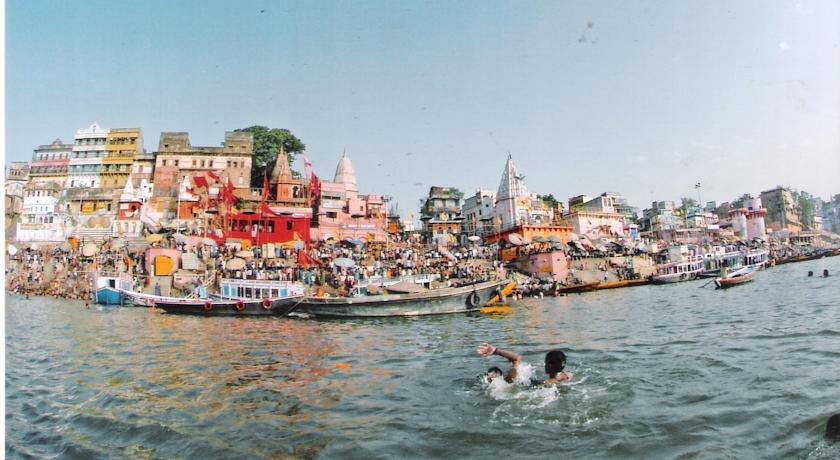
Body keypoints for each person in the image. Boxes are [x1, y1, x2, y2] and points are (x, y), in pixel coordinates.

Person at [477, 343, 574, 386]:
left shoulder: (545, 383)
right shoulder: (568, 376)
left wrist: (495, 351)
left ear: (548, 365)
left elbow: (516, 358)